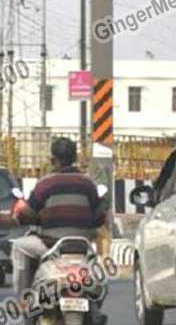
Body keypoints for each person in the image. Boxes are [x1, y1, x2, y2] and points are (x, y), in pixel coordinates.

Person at [13, 138, 107, 325]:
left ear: (53, 160)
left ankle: (24, 302)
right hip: (83, 247)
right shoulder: (88, 184)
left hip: (50, 245)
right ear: (75, 158)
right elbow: (99, 217)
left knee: (19, 248)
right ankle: (95, 308)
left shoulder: (45, 184)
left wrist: (22, 214)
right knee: (99, 275)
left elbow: (29, 213)